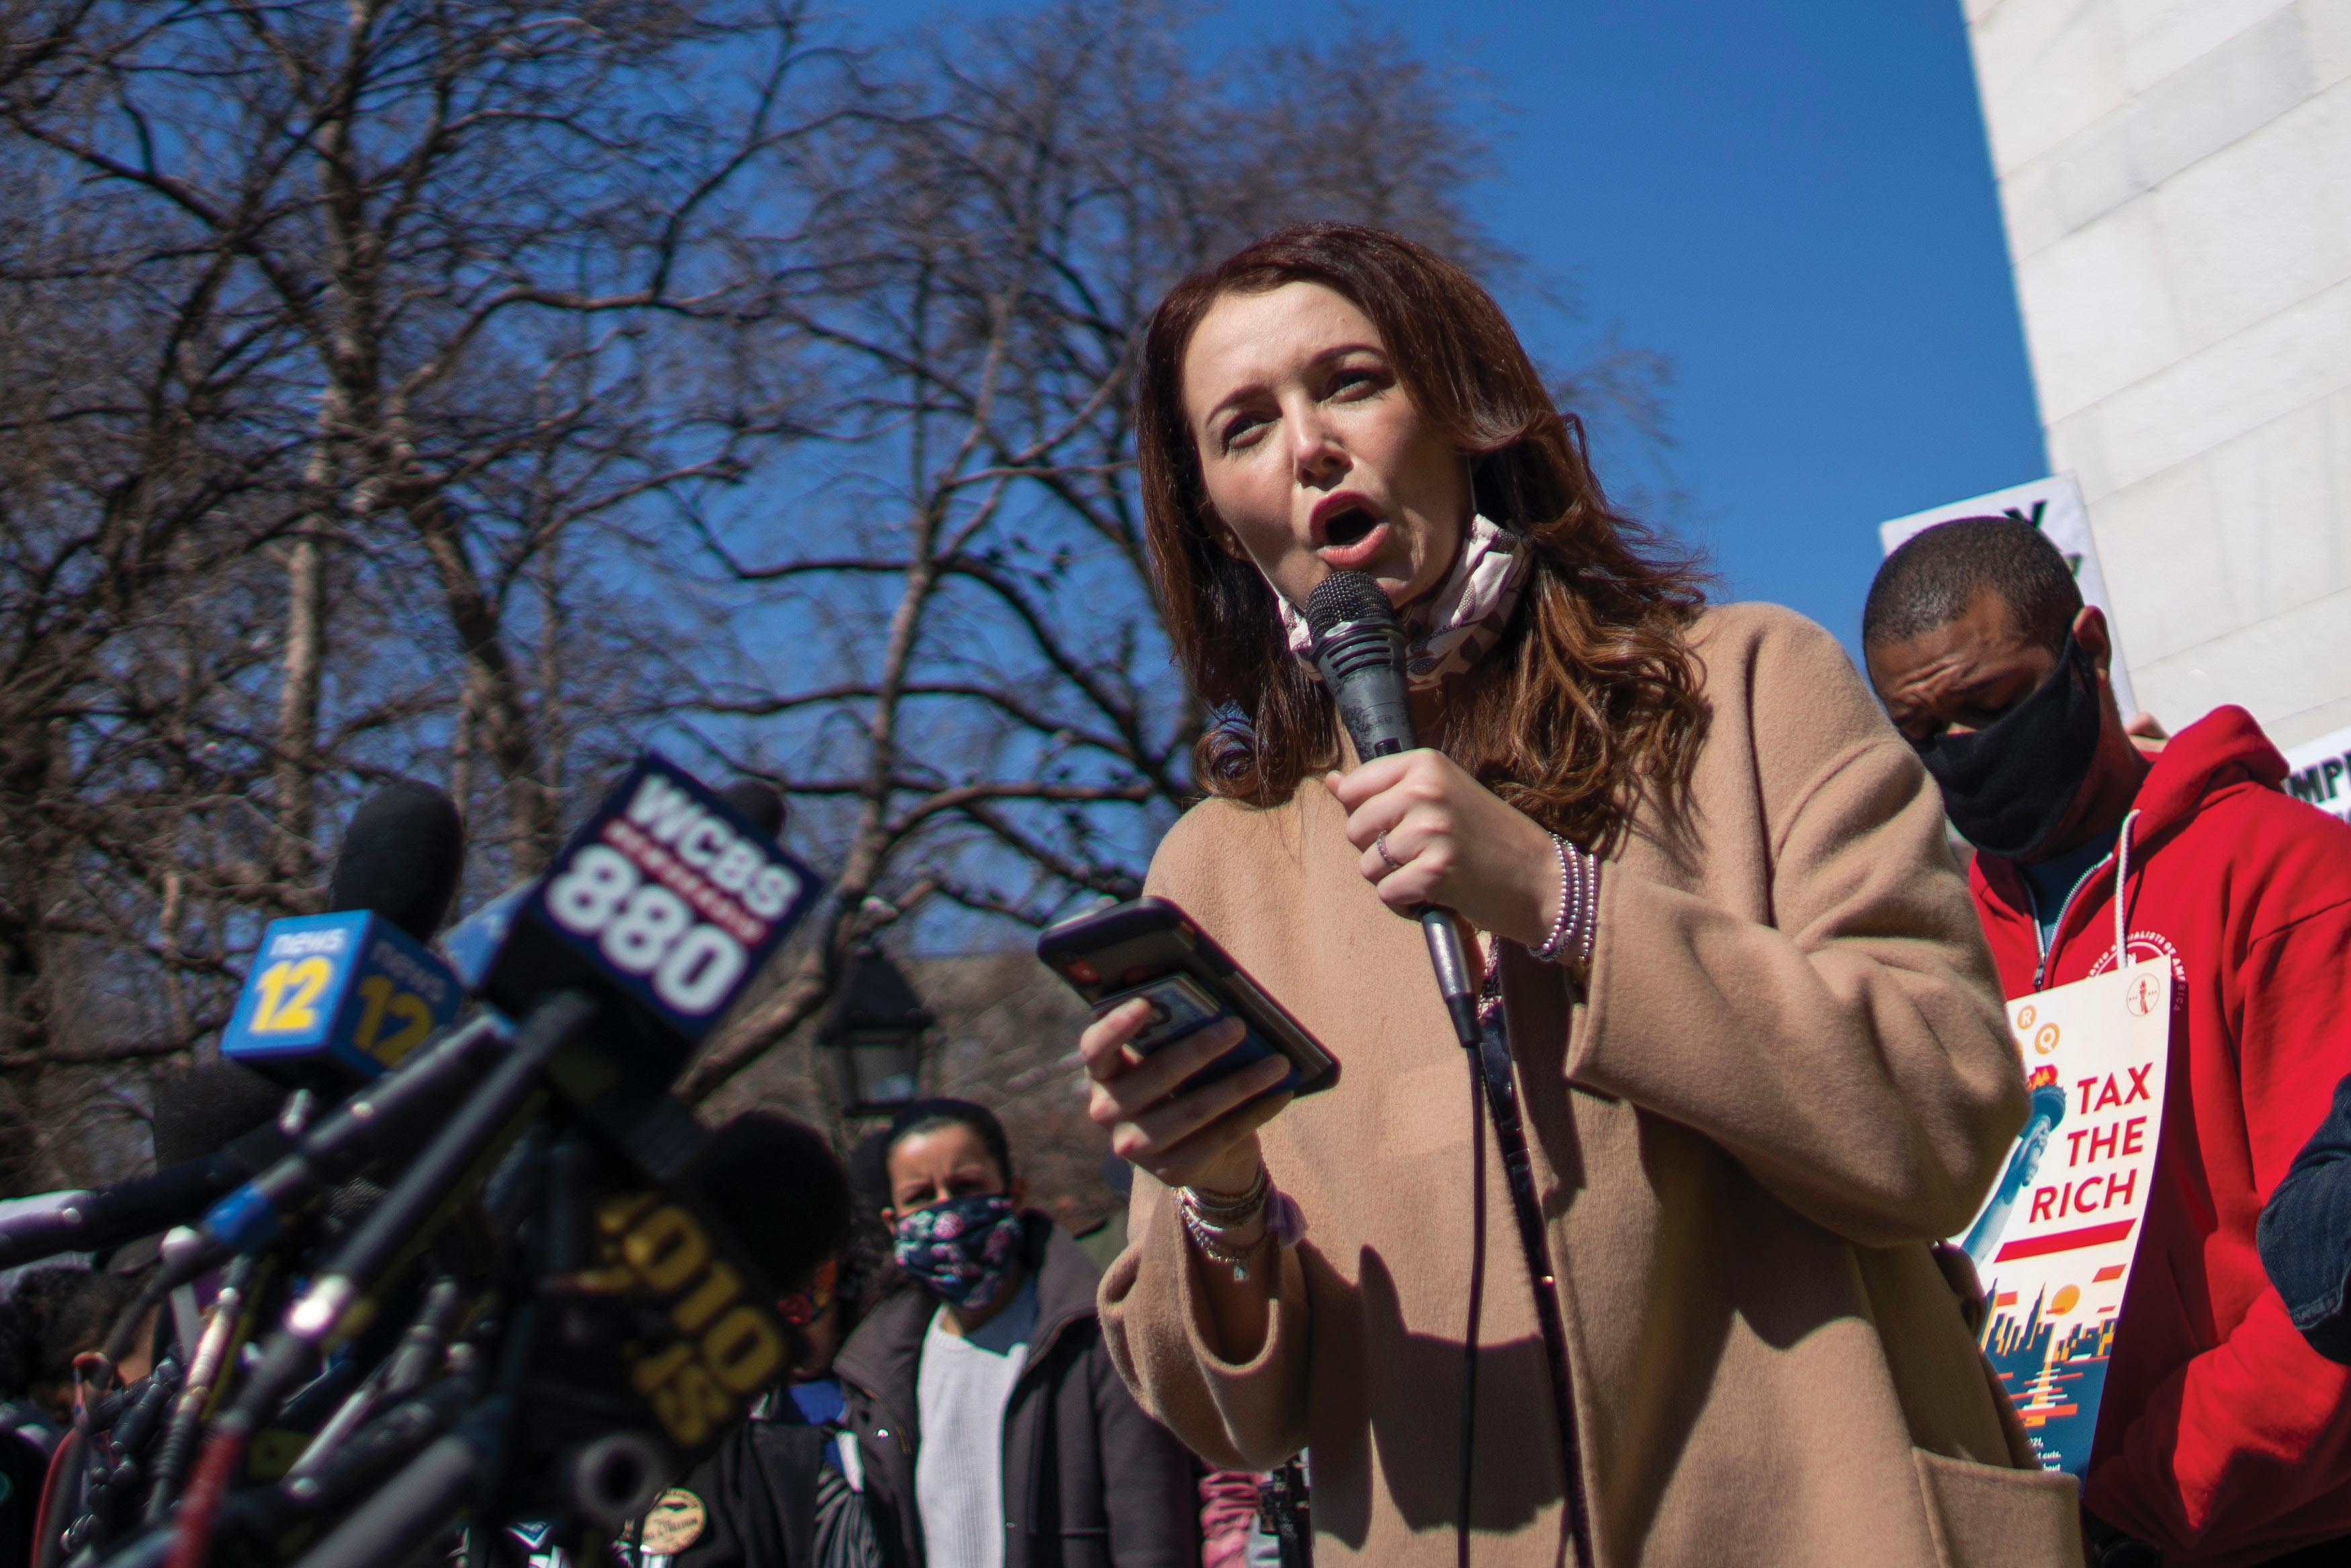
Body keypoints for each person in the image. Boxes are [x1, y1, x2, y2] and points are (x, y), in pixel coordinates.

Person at [1085, 222, 2072, 1567]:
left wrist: (1565, 901)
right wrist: (1215, 1196)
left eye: (1352, 382)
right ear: (1213, 509)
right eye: (1243, 426)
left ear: (1463, 411)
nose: (1307, 444)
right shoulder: (1215, 872)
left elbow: (1942, 1123)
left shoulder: (1749, 691)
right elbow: (1228, 1422)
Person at [1863, 516, 2351, 1565]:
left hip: (2287, 1520)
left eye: (1992, 706)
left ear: (2087, 649)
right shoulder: (1936, 953)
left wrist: (2139, 1499)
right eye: (1922, 729)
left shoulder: (2288, 874)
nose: (1965, 750)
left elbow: (2333, 1272)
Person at [832, 1099, 1198, 1568]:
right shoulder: (878, 1372)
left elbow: (1152, 1537)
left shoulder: (1100, 1336)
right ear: (893, 1221)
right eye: (921, 1196)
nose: (946, 1213)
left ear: (1014, 1193)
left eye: (966, 1186)